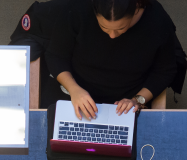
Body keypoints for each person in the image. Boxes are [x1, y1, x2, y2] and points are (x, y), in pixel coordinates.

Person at [46, 0, 178, 118]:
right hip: (76, 97)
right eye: (104, 27)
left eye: (121, 28)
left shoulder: (156, 18)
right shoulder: (77, 8)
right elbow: (56, 56)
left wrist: (138, 99)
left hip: (126, 106)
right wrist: (74, 89)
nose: (112, 36)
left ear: (136, 7)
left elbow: (165, 70)